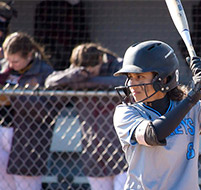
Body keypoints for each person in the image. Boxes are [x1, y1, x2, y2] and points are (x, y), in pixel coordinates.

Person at [113, 40, 201, 190]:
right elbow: (154, 134)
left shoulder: (193, 109)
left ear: (164, 79)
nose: (131, 84)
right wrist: (191, 98)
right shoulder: (126, 112)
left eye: (140, 77)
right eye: (130, 77)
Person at [45, 43, 127, 190]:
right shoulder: (76, 74)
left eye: (92, 70)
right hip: (93, 149)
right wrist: (76, 75)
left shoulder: (116, 65)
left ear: (100, 60)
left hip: (120, 149)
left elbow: (125, 82)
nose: (89, 73)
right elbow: (50, 82)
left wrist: (87, 82)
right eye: (85, 71)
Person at [0, 32, 54, 190]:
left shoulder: (43, 71)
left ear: (29, 54)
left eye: (15, 61)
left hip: (27, 136)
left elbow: (47, 111)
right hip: (3, 127)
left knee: (26, 185)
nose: (11, 64)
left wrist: (15, 98)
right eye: (8, 59)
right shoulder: (4, 68)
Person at [34, 0, 90, 70]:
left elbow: (80, 28)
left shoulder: (75, 8)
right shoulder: (44, 7)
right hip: (52, 43)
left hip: (70, 42)